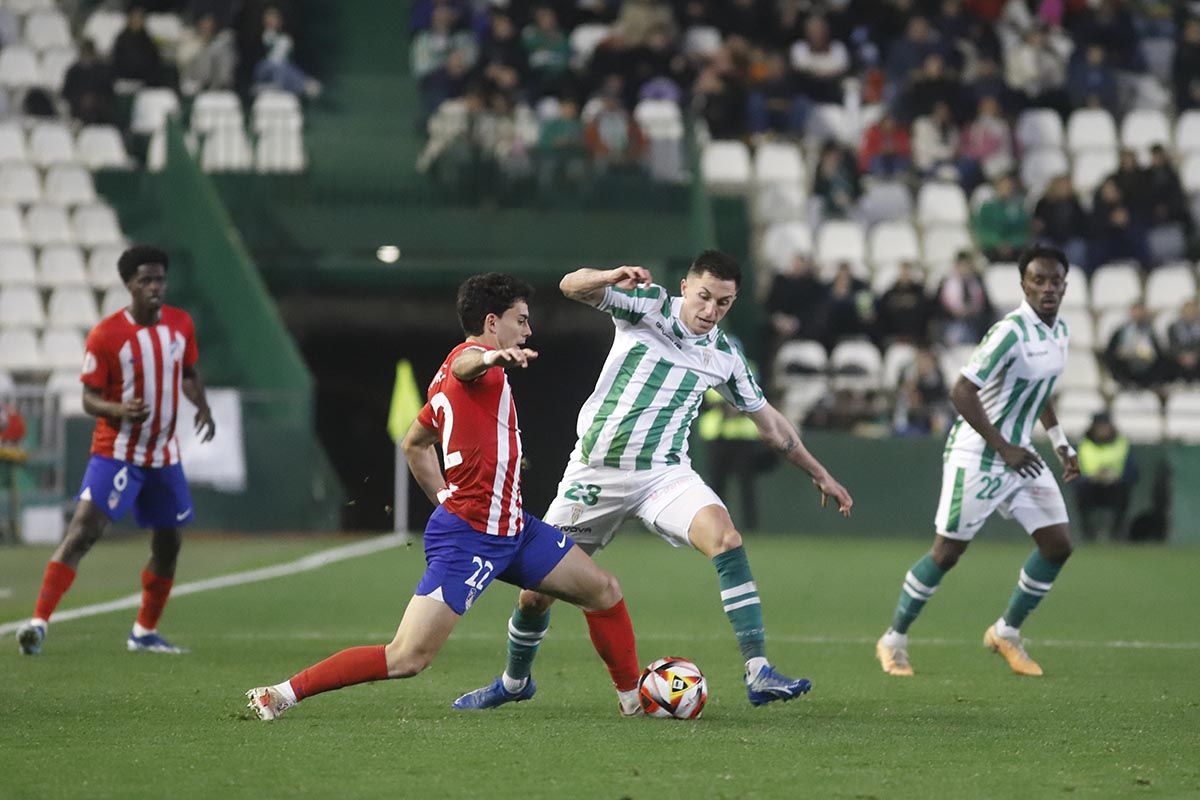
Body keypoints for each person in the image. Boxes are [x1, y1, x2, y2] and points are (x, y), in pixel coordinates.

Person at [452, 251, 854, 712]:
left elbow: (773, 427)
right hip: (595, 473)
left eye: (723, 303)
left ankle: (758, 670)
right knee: (535, 595)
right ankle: (514, 681)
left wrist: (821, 474)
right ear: (685, 287)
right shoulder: (647, 305)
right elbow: (570, 284)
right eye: (703, 297)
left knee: (725, 537)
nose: (710, 311)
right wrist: (610, 274)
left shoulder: (725, 356)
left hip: (663, 474)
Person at [245, 274, 641, 720]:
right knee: (406, 657)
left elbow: (415, 442)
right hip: (469, 538)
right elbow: (467, 365)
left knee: (604, 590)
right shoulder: (472, 363)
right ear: (493, 322)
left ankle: (633, 703)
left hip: (513, 528)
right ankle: (281, 693)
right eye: (521, 321)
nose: (528, 331)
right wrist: (493, 356)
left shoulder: (448, 379)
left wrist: (441, 494)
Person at [875, 244, 1080, 678]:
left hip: (1020, 453)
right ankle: (893, 639)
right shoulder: (1010, 331)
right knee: (947, 554)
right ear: (1023, 283)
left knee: (1058, 544)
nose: (1047, 288)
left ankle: (1006, 632)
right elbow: (961, 390)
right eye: (1038, 280)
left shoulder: (1060, 331)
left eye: (1054, 281)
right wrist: (1003, 447)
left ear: (1066, 284)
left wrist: (1060, 441)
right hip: (981, 454)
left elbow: (1039, 394)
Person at [16, 246, 216, 656]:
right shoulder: (106, 335)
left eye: (159, 278)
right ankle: (38, 623)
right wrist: (118, 409)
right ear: (129, 285)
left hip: (163, 455)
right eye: (145, 280)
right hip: (117, 452)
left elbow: (189, 373)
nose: (154, 287)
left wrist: (203, 406)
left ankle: (144, 632)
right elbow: (89, 398)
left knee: (168, 544)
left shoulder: (180, 325)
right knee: (83, 532)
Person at [1074, 412, 1135, 541]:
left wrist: (1115, 477)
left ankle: (1117, 533)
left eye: (1105, 426)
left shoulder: (1121, 443)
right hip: (1091, 486)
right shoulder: (1085, 445)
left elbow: (1133, 472)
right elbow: (1075, 473)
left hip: (1114, 487)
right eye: (1099, 426)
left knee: (1123, 490)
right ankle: (1087, 533)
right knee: (1081, 489)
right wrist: (1092, 477)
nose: (1103, 430)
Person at [1103, 301, 1164, 390]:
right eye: (1135, 311)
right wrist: (1121, 353)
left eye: (1140, 311)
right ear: (1131, 312)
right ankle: (1124, 382)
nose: (1138, 314)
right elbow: (1110, 350)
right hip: (1126, 364)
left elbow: (1157, 351)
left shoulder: (1150, 331)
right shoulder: (1120, 331)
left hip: (1146, 365)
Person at [1167, 299, 1200, 383]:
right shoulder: (1173, 327)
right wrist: (1181, 356)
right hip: (1180, 358)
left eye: (1193, 311)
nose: (1190, 313)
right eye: (1188, 311)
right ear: (1182, 312)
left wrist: (1195, 355)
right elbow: (1172, 345)